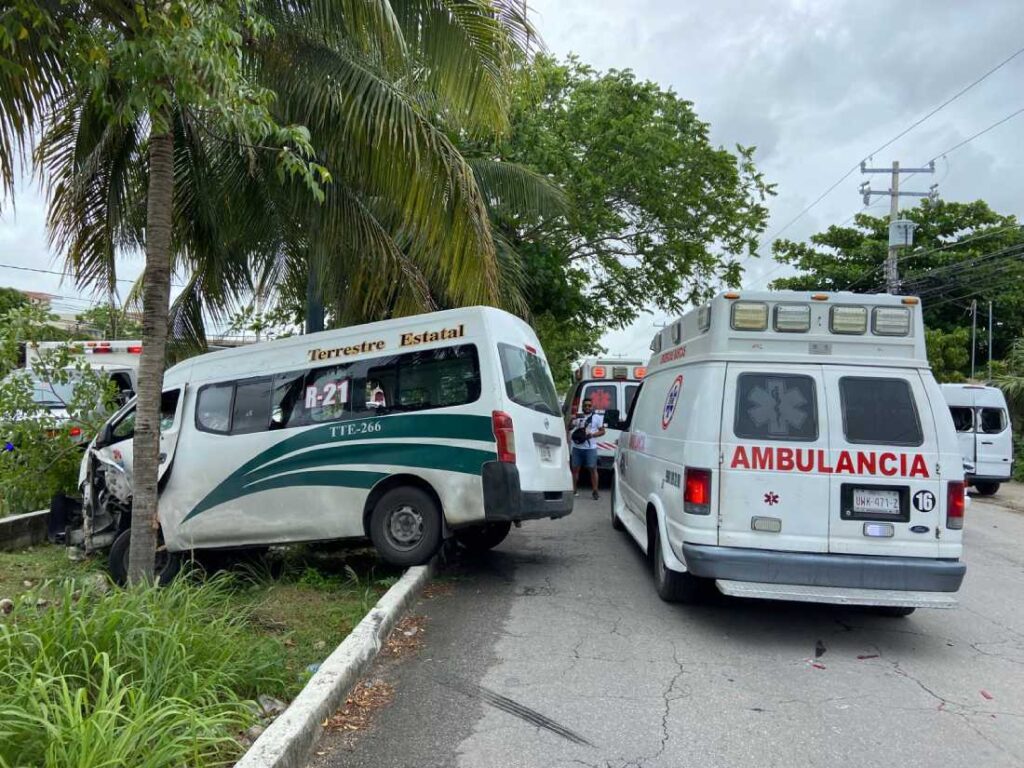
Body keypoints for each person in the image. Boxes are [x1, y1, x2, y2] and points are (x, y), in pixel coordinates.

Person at [569, 398, 605, 500]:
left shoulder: (597, 418)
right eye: (585, 405)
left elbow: (602, 431)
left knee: (593, 469)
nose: (587, 407)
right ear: (583, 406)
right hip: (577, 447)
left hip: (590, 448)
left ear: (592, 406)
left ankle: (595, 491)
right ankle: (574, 490)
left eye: (589, 405)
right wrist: (572, 419)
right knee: (575, 470)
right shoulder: (578, 416)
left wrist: (592, 435)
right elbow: (570, 428)